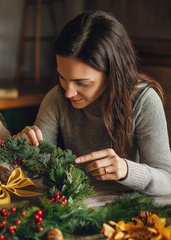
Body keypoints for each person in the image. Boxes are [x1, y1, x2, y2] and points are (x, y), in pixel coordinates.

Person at [20, 10, 171, 196]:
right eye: (62, 77)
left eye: (82, 83)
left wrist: (126, 170)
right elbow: (34, 172)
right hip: (75, 206)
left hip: (130, 209)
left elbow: (167, 180)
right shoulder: (57, 98)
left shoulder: (144, 100)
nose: (68, 92)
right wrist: (24, 151)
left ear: (113, 74)